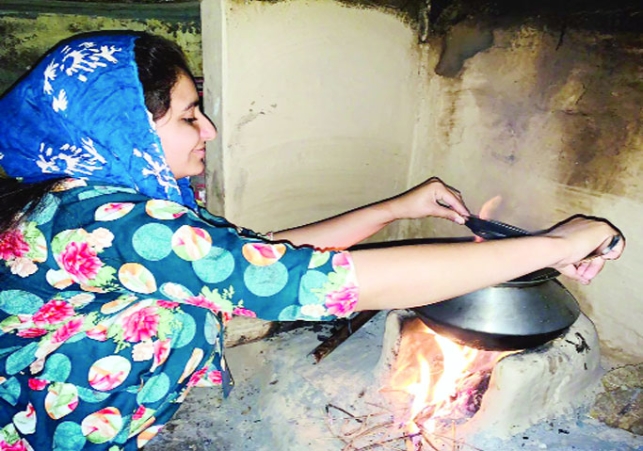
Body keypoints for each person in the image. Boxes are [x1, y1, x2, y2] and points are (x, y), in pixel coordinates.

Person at [0, 31, 624, 451]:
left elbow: (255, 255)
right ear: (122, 126)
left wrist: (395, 208)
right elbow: (305, 284)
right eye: (189, 115)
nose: (210, 129)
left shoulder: (93, 198)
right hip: (53, 429)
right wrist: (557, 243)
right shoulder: (107, 220)